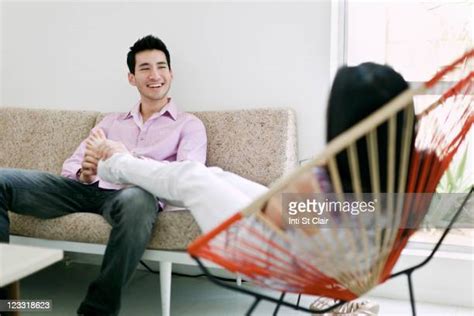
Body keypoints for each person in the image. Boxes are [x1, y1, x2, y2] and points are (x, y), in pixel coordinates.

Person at [0, 35, 207, 316]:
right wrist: (84, 173)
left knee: (137, 199)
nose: (155, 75)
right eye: (145, 68)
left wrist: (127, 159)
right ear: (132, 78)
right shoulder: (111, 122)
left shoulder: (189, 125)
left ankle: (97, 310)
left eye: (161, 66)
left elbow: (186, 178)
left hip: (134, 194)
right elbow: (71, 167)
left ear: (171, 73)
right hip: (87, 190)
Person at [84, 62, 409, 234]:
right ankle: (118, 162)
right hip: (289, 225)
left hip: (273, 244)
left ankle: (117, 163)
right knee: (210, 174)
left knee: (193, 178)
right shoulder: (390, 183)